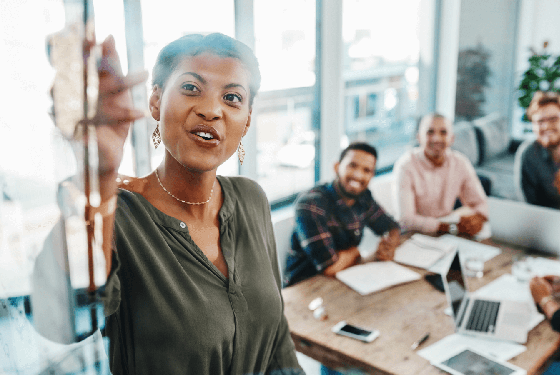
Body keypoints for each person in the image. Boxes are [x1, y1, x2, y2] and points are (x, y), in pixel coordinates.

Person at [36, 33, 304, 375]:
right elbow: (59, 322)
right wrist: (98, 176)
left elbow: (278, 348)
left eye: (232, 97)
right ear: (155, 102)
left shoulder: (251, 199)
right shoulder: (117, 215)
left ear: (247, 120)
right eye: (191, 88)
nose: (211, 110)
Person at [284, 142, 401, 287]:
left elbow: (392, 226)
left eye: (366, 170)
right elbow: (329, 268)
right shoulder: (311, 204)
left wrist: (388, 246)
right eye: (352, 166)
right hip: (305, 287)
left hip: (346, 279)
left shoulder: (364, 197)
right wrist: (355, 252)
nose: (358, 175)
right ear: (337, 167)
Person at [392, 113, 488, 236]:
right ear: (418, 137)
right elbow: (406, 220)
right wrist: (450, 227)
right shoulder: (405, 165)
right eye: (430, 132)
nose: (436, 138)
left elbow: (481, 203)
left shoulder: (460, 162)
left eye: (443, 132)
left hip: (446, 234)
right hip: (412, 236)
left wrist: (478, 217)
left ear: (452, 138)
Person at [520, 91, 560, 209]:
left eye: (553, 119)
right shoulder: (529, 154)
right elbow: (531, 207)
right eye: (540, 121)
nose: (546, 126)